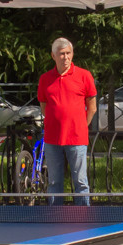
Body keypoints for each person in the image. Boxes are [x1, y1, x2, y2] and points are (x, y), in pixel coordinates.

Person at [37, 37, 97, 204]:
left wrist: (81, 126)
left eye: (68, 53)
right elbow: (44, 106)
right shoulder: (45, 79)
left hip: (77, 138)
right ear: (53, 56)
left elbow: (92, 107)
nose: (65, 57)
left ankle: (83, 217)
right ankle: (56, 217)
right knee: (54, 182)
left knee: (80, 181)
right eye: (61, 54)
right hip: (52, 138)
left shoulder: (84, 75)